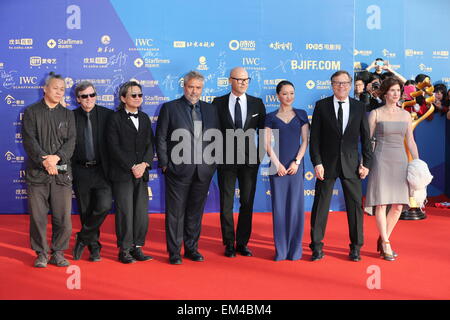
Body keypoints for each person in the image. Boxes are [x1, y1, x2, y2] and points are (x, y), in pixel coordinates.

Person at [156, 71, 220, 265]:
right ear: (184, 86)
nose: (194, 91)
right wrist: (166, 165)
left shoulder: (210, 110)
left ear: (202, 89)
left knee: (195, 211)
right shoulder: (170, 108)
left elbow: (216, 138)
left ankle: (191, 248)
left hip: (203, 171)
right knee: (175, 213)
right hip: (177, 170)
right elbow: (161, 138)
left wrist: (212, 164)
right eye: (191, 86)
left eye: (198, 88)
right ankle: (174, 252)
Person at [309, 70, 373, 262]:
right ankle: (317, 246)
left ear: (351, 84)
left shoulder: (359, 107)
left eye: (345, 83)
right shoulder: (321, 106)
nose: (341, 86)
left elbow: (366, 138)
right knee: (320, 205)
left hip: (351, 164)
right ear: (332, 85)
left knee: (354, 207)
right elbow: (315, 139)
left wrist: (366, 163)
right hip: (326, 165)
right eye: (337, 83)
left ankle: (356, 247)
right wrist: (317, 162)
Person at [22, 72, 76, 268]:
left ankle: (59, 252)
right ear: (45, 89)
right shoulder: (31, 112)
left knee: (63, 218)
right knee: (38, 218)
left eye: (62, 89)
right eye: (55, 88)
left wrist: (56, 158)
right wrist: (45, 161)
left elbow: (71, 142)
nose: (59, 92)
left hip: (61, 174)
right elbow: (29, 140)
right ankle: (41, 253)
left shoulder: (68, 114)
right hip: (38, 174)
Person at [212, 67, 266, 258]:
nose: (243, 83)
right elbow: (213, 131)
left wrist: (259, 156)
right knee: (226, 203)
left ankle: (242, 243)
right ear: (230, 80)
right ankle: (228, 243)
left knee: (247, 202)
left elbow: (264, 132)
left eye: (246, 80)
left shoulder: (257, 103)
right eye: (239, 79)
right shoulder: (217, 103)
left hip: (250, 161)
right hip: (225, 160)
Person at [365, 77, 419, 261]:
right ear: (385, 93)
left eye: (398, 91)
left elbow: (410, 141)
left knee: (397, 205)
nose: (396, 94)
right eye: (393, 90)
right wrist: (365, 162)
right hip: (381, 159)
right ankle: (386, 243)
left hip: (400, 161)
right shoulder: (376, 114)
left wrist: (417, 163)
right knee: (381, 203)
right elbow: (367, 141)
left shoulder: (405, 115)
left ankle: (383, 238)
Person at [106, 81, 154, 264]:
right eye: (133, 95)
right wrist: (131, 166)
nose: (137, 98)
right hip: (123, 173)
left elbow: (150, 144)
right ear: (123, 98)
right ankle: (124, 250)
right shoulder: (115, 118)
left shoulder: (144, 118)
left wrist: (144, 164)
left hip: (141, 173)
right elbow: (113, 147)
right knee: (125, 211)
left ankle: (138, 247)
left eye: (140, 95)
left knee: (141, 212)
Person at [264, 81, 309, 261]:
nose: (288, 97)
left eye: (291, 93)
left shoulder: (301, 114)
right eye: (285, 93)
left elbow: (305, 141)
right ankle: (281, 250)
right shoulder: (270, 116)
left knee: (296, 207)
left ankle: (295, 249)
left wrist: (296, 162)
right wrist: (277, 164)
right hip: (278, 167)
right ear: (277, 96)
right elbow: (266, 143)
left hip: (295, 167)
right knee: (279, 208)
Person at [71, 81, 113, 262]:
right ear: (77, 99)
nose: (89, 99)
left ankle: (82, 237)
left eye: (92, 95)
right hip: (80, 170)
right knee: (86, 211)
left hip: (102, 171)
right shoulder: (70, 117)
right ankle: (94, 248)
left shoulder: (108, 115)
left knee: (103, 206)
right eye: (84, 96)